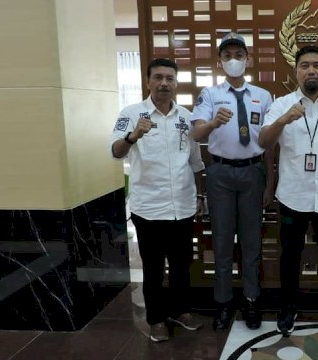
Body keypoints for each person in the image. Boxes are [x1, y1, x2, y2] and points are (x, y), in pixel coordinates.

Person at [258, 45, 318, 335]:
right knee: (290, 255)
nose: (311, 70)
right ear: (295, 71)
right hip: (292, 196)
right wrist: (284, 119)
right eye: (305, 65)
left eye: (317, 65)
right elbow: (264, 142)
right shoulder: (280, 105)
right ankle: (288, 307)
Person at [109, 58, 205, 342]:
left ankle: (180, 310)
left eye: (170, 78)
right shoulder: (131, 113)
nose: (164, 83)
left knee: (181, 264)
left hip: (183, 206)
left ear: (176, 83)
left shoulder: (186, 118)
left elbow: (195, 161)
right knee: (152, 268)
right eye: (158, 77)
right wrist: (133, 135)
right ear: (148, 81)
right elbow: (115, 151)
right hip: (148, 207)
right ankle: (156, 319)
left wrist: (199, 195)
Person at [190, 32, 275, 331]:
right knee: (223, 243)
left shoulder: (263, 96)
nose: (233, 60)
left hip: (253, 173)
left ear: (248, 59)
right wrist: (213, 123)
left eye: (239, 55)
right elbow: (196, 134)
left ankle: (251, 300)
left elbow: (269, 143)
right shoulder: (210, 94)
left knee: (251, 243)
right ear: (219, 62)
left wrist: (269, 183)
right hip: (220, 174)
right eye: (227, 56)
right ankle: (224, 303)